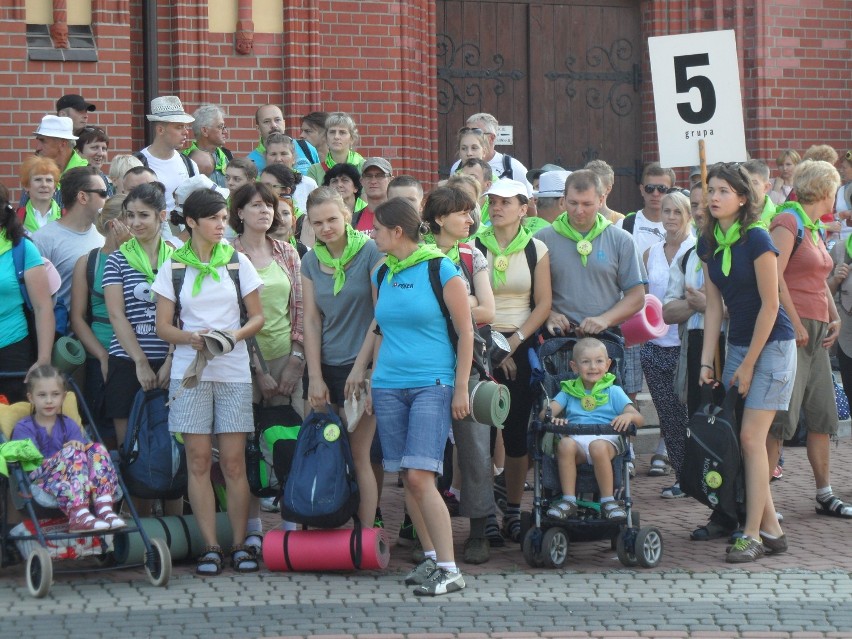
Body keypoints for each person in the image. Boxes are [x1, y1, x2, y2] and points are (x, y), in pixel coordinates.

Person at [153, 188, 264, 575]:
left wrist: (233, 336)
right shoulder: (173, 267)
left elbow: (257, 317)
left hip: (232, 371)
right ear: (192, 223)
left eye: (223, 218)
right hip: (190, 372)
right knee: (198, 461)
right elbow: (163, 326)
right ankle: (210, 547)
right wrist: (192, 338)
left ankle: (239, 545)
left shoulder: (237, 262)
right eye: (214, 218)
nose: (222, 225)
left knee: (233, 463)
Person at [370, 197, 472, 596]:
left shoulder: (441, 268)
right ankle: (431, 561)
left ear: (397, 232)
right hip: (388, 385)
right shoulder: (383, 273)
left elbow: (466, 333)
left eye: (376, 228)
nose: (371, 234)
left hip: (433, 382)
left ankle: (450, 569)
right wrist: (368, 374)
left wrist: (460, 386)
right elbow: (378, 328)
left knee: (420, 475)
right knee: (405, 480)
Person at [698, 162, 794, 563]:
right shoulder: (708, 241)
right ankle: (771, 528)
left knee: (752, 440)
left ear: (742, 198)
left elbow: (771, 307)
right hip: (738, 344)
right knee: (744, 441)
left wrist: (750, 362)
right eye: (711, 190)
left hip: (772, 344)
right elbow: (714, 308)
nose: (714, 197)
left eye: (723, 191)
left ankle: (751, 534)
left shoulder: (756, 238)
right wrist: (707, 362)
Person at [769, 160, 850, 519]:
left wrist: (833, 315)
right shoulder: (788, 221)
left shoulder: (813, 226)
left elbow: (819, 279)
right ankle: (763, 499)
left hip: (818, 328)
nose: (837, 194)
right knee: (780, 417)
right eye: (834, 188)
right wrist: (792, 322)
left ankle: (824, 493)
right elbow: (775, 274)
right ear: (824, 189)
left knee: (822, 414)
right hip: (794, 328)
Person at [475, 179, 552, 543]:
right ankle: (485, 511)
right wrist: (493, 346)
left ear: (524, 208)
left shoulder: (537, 249)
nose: (496, 207)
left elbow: (543, 304)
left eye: (506, 202)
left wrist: (513, 343)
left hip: (518, 345)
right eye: (492, 201)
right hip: (480, 343)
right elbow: (466, 300)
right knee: (483, 434)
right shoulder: (474, 246)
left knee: (516, 431)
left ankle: (513, 509)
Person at [422, 186, 496, 564]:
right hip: (424, 364)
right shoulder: (417, 256)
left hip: (471, 364)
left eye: (471, 213)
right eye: (462, 213)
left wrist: (448, 304)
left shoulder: (473, 255)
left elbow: (487, 311)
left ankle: (480, 528)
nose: (471, 220)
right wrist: (460, 303)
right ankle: (425, 535)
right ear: (439, 219)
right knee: (424, 450)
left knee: (475, 447)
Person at [302, 187, 382, 529]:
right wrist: (316, 377)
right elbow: (311, 319)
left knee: (359, 454)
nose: (326, 228)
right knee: (323, 448)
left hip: (359, 366)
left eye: (332, 219)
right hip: (325, 365)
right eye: (318, 222)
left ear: (347, 214)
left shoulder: (370, 251)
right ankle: (325, 523)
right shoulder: (309, 260)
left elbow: (381, 315)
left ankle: (365, 534)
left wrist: (366, 369)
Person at [231, 181, 304, 544]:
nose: (265, 211)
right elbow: (230, 314)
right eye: (256, 205)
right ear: (239, 212)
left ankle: (292, 525)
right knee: (249, 446)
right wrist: (257, 370)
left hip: (286, 359)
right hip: (239, 364)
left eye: (269, 206)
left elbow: (303, 308)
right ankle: (253, 530)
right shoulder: (227, 254)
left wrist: (296, 359)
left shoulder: (287, 252)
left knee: (288, 443)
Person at [662, 188, 738, 540]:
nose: (701, 210)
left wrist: (710, 305)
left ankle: (748, 506)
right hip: (697, 345)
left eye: (707, 203)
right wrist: (697, 306)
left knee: (738, 428)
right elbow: (669, 309)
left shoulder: (740, 250)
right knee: (706, 426)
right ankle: (719, 510)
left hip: (733, 344)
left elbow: (743, 307)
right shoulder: (692, 255)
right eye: (695, 205)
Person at [102, 183, 181, 515]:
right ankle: (140, 528)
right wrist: (139, 362)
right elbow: (117, 315)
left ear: (161, 216)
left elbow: (186, 313)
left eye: (143, 216)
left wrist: (170, 360)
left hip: (171, 361)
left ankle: (177, 532)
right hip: (127, 363)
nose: (135, 223)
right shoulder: (116, 260)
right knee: (133, 450)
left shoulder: (178, 258)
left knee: (173, 448)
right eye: (130, 215)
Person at [11, 365, 125, 532]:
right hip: (41, 478)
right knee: (73, 452)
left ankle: (104, 506)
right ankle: (78, 514)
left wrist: (77, 449)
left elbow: (84, 455)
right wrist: (68, 453)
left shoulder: (68, 424)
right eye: (42, 395)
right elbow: (31, 462)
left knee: (96, 448)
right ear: (31, 398)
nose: (49, 400)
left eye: (55, 394)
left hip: (76, 477)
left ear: (63, 397)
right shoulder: (24, 427)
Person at [544, 338, 644, 521]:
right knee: (564, 444)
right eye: (585, 362)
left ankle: (608, 501)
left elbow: (638, 418)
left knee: (597, 446)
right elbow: (546, 413)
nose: (593, 367)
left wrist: (628, 416)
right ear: (574, 367)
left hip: (607, 441)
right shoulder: (568, 391)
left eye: (599, 361)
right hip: (578, 442)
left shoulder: (613, 391)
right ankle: (569, 500)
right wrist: (552, 418)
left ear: (608, 365)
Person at [640, 191, 695, 499]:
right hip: (655, 345)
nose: (671, 217)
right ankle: (682, 477)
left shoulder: (697, 249)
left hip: (687, 343)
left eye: (677, 211)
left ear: (688, 214)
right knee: (669, 417)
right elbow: (646, 299)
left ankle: (701, 473)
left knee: (690, 414)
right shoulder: (651, 252)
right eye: (666, 211)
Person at [69, 195, 130, 438]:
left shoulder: (146, 258)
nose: (137, 224)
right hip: (101, 351)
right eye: (131, 217)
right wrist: (103, 356)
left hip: (140, 350)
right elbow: (77, 317)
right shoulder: (88, 262)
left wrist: (129, 250)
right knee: (103, 427)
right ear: (115, 224)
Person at [0, 184, 54, 402]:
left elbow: (43, 307)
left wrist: (43, 359)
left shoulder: (21, 248)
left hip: (13, 349)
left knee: (17, 428)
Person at [32, 165, 107, 323]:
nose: (107, 199)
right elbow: (35, 301)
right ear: (83, 197)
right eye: (103, 193)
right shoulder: (43, 239)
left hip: (101, 334)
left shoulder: (104, 235)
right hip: (63, 340)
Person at [137, 96, 198, 214]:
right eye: (179, 127)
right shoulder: (139, 163)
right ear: (160, 130)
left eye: (185, 126)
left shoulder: (189, 165)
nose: (185, 132)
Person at [248, 104, 318, 174]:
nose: (274, 125)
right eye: (267, 121)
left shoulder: (306, 148)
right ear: (258, 128)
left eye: (277, 120)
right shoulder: (250, 162)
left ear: (284, 124)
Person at [306, 112, 365, 185]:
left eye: (342, 132)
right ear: (326, 137)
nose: (336, 137)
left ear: (352, 139)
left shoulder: (364, 167)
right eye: (332, 132)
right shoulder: (315, 170)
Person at [184, 104, 233, 188]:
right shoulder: (185, 160)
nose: (225, 131)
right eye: (220, 127)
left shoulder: (227, 155)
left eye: (224, 127)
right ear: (204, 131)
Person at [17, 156, 62, 233]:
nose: (44, 185)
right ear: (27, 185)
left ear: (54, 187)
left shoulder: (65, 217)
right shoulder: (16, 218)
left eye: (49, 180)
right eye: (38, 179)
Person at [322, 163, 370, 231]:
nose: (339, 185)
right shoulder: (323, 213)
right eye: (334, 181)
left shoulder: (368, 211)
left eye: (345, 180)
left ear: (355, 187)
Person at [584, 159, 624, 224]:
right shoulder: (577, 216)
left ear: (608, 189)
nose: (589, 189)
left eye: (596, 185)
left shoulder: (619, 220)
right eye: (586, 184)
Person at [75, 126, 112, 195]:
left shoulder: (102, 178)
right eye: (95, 147)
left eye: (104, 149)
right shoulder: (68, 180)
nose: (101, 153)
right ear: (78, 152)